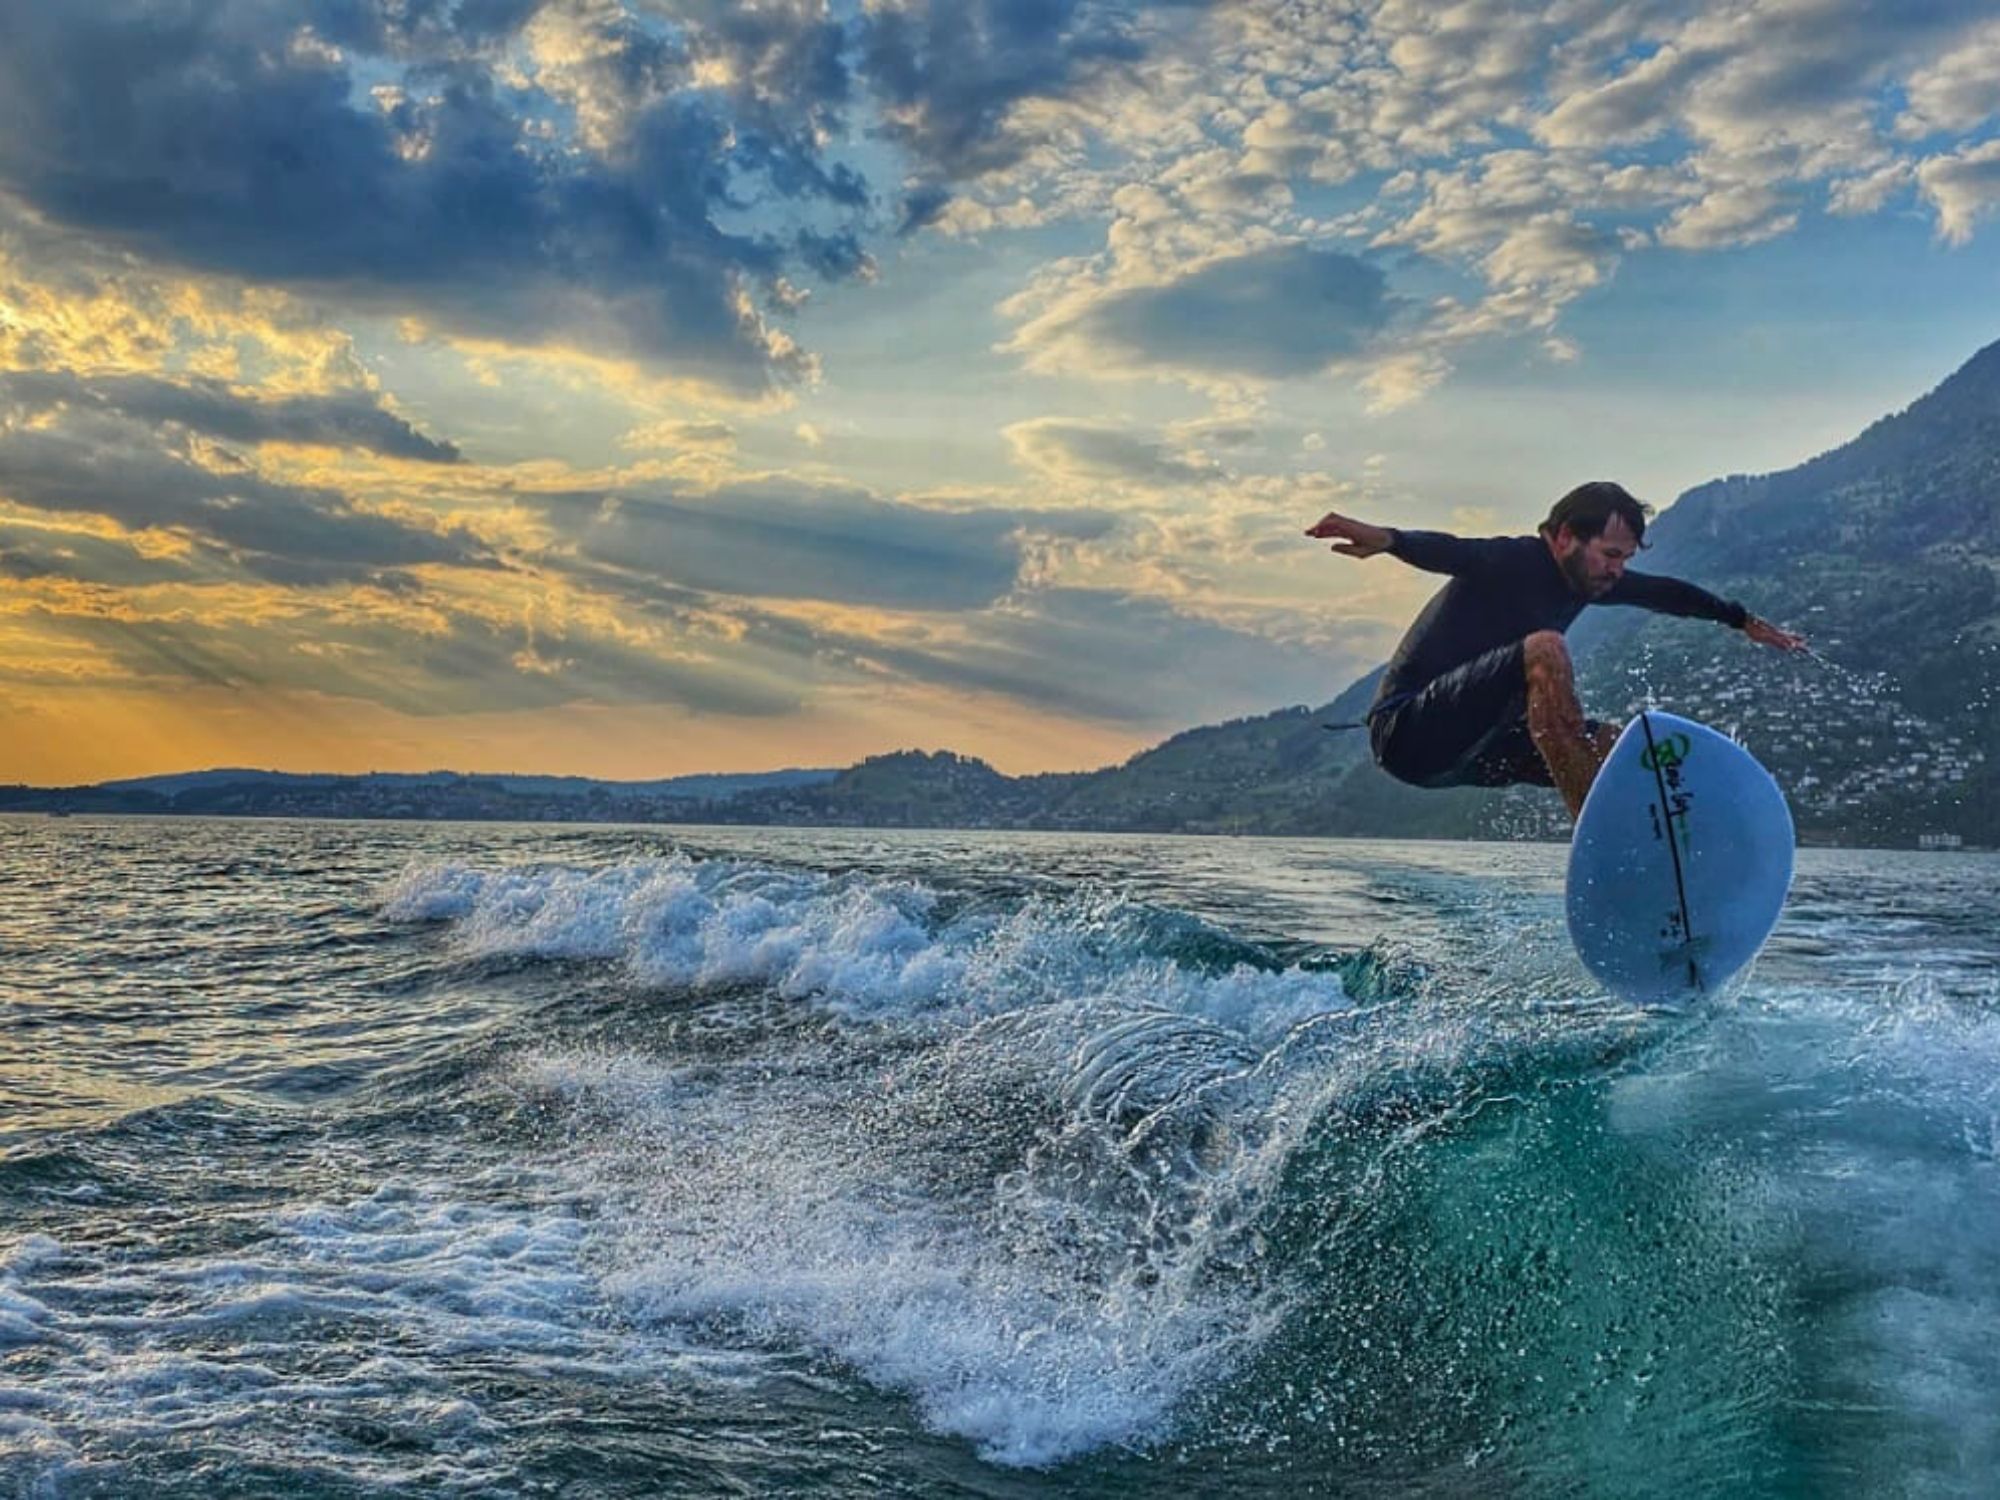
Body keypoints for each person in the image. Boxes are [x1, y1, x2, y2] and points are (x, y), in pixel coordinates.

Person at [1306, 481, 1806, 819]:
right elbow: (1453, 550)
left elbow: (1666, 593)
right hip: (1408, 732)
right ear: (1565, 536)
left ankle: (1656, 856)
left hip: (1480, 748)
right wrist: (1389, 539)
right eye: (1610, 555)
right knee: (1546, 648)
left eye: (1625, 559)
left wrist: (1741, 620)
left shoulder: (1593, 580)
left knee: (1620, 748)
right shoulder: (1515, 558)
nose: (1616, 570)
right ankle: (1596, 828)